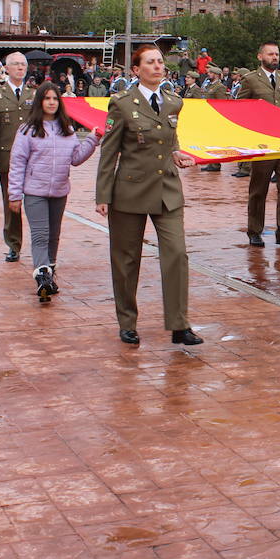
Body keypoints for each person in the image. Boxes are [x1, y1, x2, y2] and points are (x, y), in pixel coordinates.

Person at [94, 46, 200, 346]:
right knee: (126, 260)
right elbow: (109, 152)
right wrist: (102, 195)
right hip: (129, 191)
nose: (157, 67)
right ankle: (127, 321)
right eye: (150, 62)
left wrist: (177, 154)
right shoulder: (122, 104)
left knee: (177, 254)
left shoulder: (173, 102)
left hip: (166, 190)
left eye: (160, 62)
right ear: (136, 70)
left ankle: (179, 324)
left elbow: (169, 139)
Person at [7, 82, 100, 302]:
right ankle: (42, 275)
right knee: (40, 235)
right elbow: (17, 162)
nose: (51, 102)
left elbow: (76, 158)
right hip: (34, 192)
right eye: (47, 98)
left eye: (55, 99)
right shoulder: (27, 130)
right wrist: (14, 195)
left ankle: (48, 274)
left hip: (59, 191)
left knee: (54, 237)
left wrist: (92, 140)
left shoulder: (67, 130)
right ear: (40, 102)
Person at [238, 42, 280, 246]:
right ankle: (254, 230)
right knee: (259, 189)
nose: (275, 57)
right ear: (260, 57)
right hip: (262, 144)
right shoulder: (250, 80)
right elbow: (240, 112)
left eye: (277, 54)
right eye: (270, 54)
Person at [0, 52, 36, 262]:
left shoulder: (35, 94)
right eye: (15, 64)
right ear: (7, 68)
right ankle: (14, 244)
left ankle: (39, 243)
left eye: (23, 64)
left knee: (35, 202)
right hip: (8, 158)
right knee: (11, 203)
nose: (20, 68)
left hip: (33, 158)